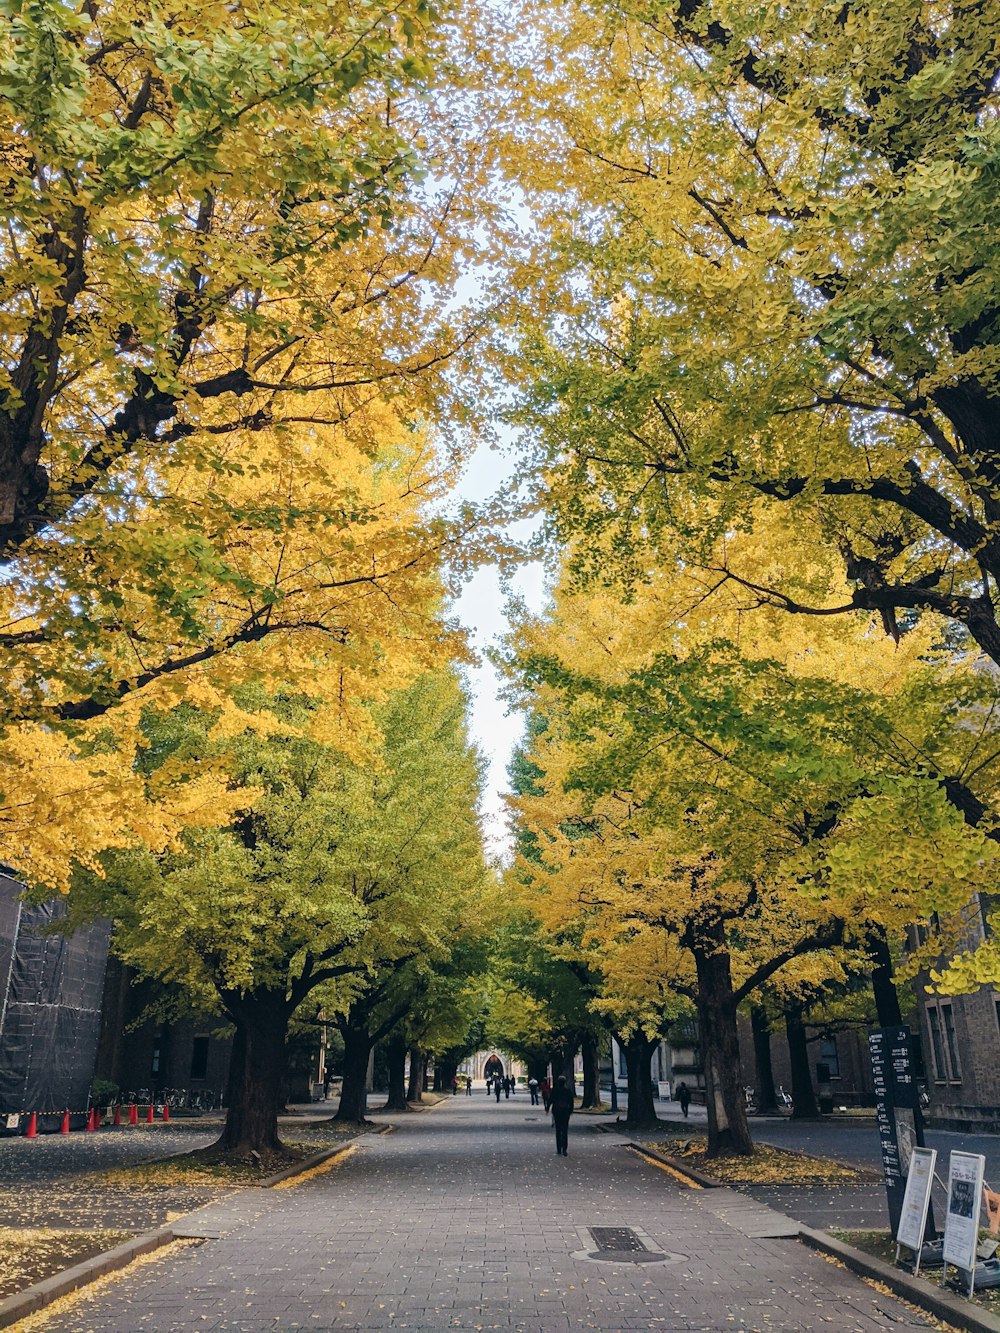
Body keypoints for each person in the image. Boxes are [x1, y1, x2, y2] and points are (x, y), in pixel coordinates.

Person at [550, 1075, 574, 1155]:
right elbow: (571, 1102)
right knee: (565, 1130)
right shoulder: (568, 1091)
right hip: (565, 1112)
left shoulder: (555, 1090)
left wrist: (547, 1108)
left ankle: (559, 1149)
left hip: (557, 1111)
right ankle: (564, 1149)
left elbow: (551, 1100)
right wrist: (571, 1111)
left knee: (558, 1130)